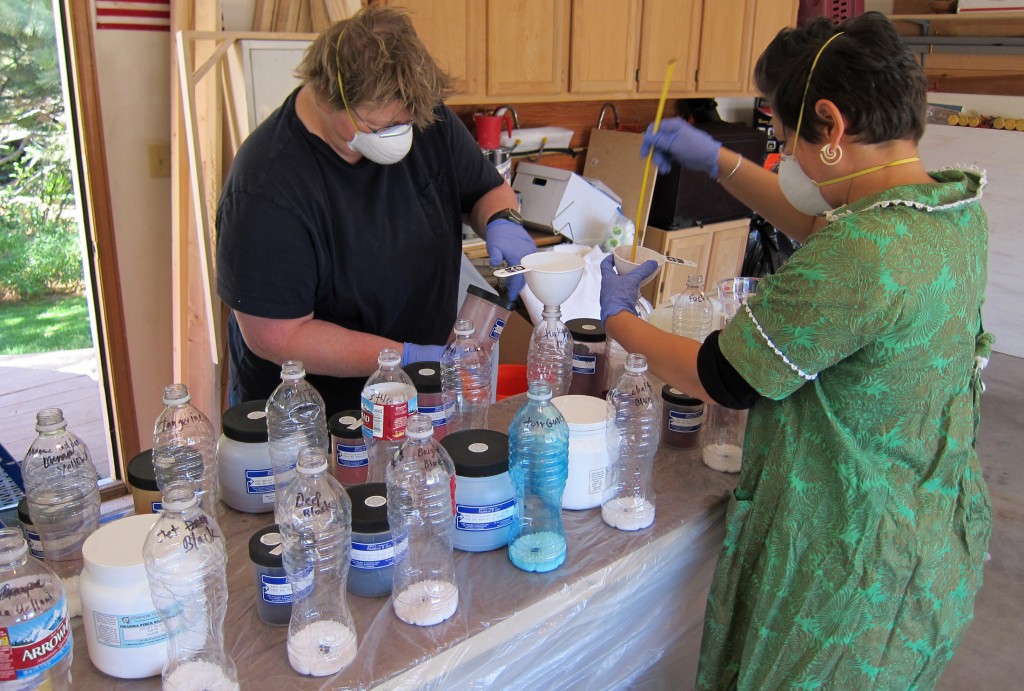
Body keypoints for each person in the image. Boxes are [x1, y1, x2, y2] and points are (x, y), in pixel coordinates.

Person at [600, 12, 992, 690]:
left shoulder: (863, 255)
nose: (785, 158)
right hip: (926, 539)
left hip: (847, 571)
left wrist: (616, 318)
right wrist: (719, 161)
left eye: (783, 139)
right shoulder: (951, 213)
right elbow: (822, 227)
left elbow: (721, 375)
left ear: (833, 127)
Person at [216, 7, 534, 414]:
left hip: (415, 392)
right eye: (382, 127)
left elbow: (486, 190)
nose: (401, 136)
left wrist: (502, 220)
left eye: (407, 121)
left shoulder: (422, 119)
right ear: (332, 100)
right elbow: (278, 337)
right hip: (315, 417)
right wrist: (401, 358)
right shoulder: (265, 190)